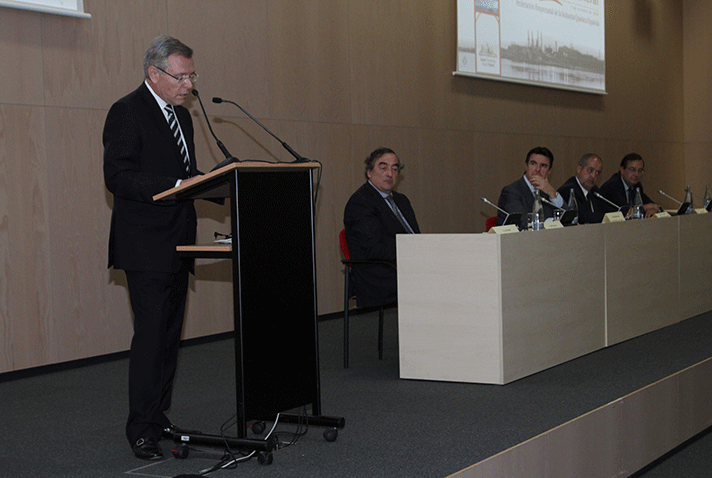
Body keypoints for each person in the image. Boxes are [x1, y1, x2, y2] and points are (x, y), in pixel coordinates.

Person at [103, 35, 203, 460]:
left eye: (191, 75)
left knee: (168, 338)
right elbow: (119, 176)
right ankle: (140, 429)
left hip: (179, 241)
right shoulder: (127, 111)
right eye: (180, 77)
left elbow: (185, 174)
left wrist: (223, 186)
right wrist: (175, 186)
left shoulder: (183, 118)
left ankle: (159, 415)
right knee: (149, 338)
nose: (188, 85)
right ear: (154, 74)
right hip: (144, 245)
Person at [343, 148, 420, 307]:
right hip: (380, 274)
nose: (390, 174)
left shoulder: (402, 200)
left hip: (407, 265)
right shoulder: (360, 202)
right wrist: (413, 254)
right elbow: (375, 249)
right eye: (383, 168)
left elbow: (415, 236)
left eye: (394, 169)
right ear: (369, 172)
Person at [497, 146, 564, 229]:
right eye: (533, 163)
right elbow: (525, 223)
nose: (538, 169)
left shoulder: (546, 191)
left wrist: (552, 193)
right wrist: (554, 223)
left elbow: (570, 219)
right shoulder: (511, 191)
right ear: (526, 166)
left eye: (543, 166)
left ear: (549, 171)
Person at [599, 153, 660, 218]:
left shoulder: (637, 186)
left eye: (640, 170)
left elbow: (655, 205)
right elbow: (627, 212)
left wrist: (653, 208)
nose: (636, 174)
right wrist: (646, 207)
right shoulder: (612, 185)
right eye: (632, 169)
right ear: (622, 170)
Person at [557, 153, 613, 224]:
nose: (593, 176)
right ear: (579, 169)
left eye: (597, 172)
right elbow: (581, 217)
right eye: (590, 170)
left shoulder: (595, 191)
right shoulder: (567, 190)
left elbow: (606, 209)